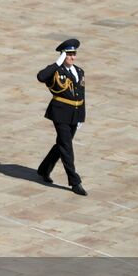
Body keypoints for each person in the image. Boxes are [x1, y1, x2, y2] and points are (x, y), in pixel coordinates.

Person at [36, 39, 87, 196]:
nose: (72, 57)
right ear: (63, 55)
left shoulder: (79, 71)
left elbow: (81, 95)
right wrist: (58, 62)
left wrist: (81, 117)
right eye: (68, 54)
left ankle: (44, 169)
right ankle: (75, 181)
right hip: (60, 113)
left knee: (62, 145)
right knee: (67, 147)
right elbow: (41, 76)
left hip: (75, 114)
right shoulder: (55, 71)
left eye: (74, 54)